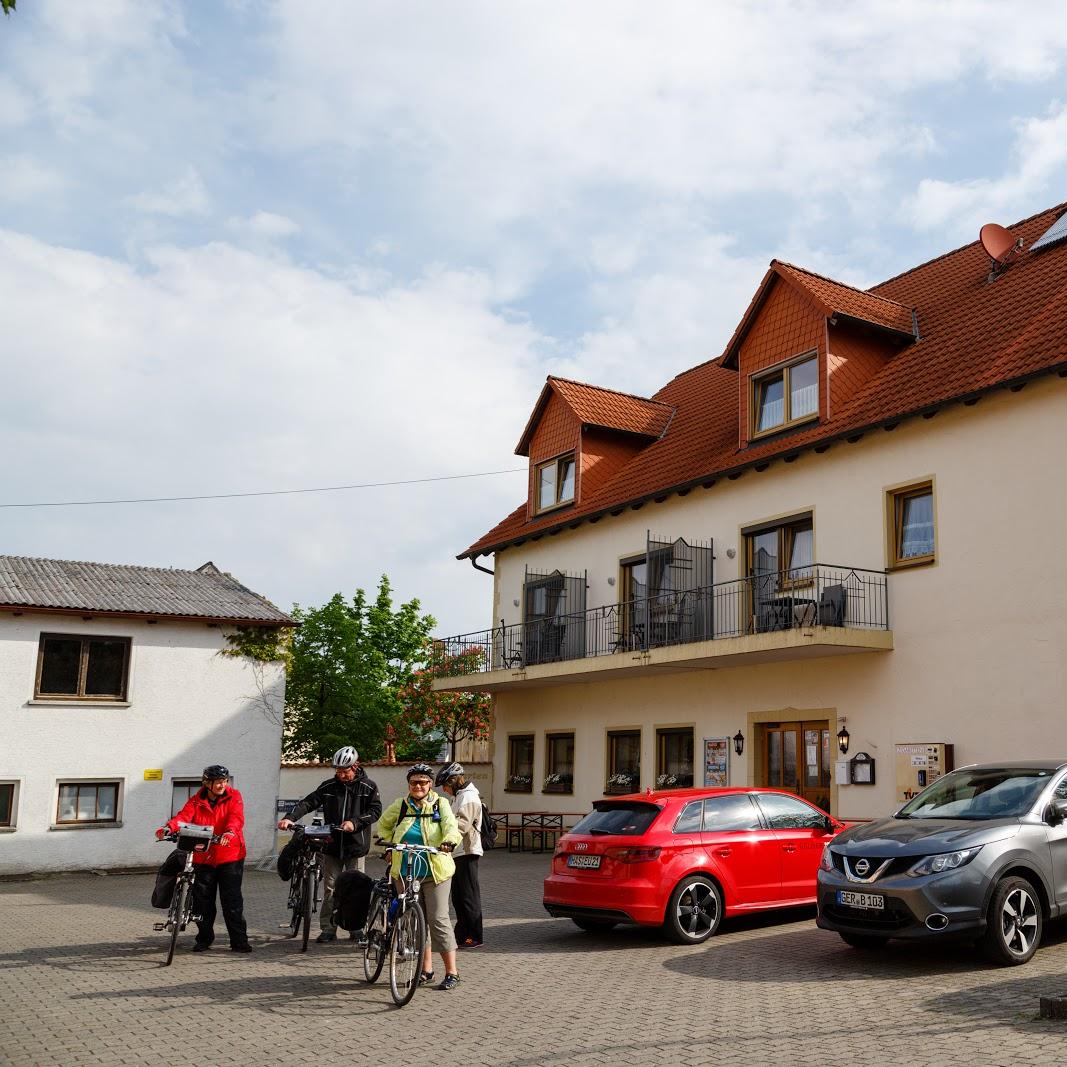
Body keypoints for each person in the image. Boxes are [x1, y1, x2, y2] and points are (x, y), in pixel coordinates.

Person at [278, 745, 382, 943]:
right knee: (331, 888)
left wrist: (355, 822)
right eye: (338, 771)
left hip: (356, 846)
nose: (341, 775)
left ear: (355, 766)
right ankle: (328, 928)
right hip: (332, 845)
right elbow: (308, 803)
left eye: (345, 771)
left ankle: (356, 928)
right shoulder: (329, 786)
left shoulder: (368, 787)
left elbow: (375, 811)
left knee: (356, 889)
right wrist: (290, 818)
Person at [377, 763, 462, 990]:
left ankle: (452, 972)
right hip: (405, 871)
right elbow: (383, 826)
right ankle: (426, 970)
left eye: (423, 782)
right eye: (414, 782)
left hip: (435, 871)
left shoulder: (440, 804)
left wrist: (449, 842)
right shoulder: (400, 806)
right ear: (409, 784)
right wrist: (387, 848)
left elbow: (451, 827)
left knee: (437, 919)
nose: (418, 786)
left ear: (430, 784)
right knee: (416, 920)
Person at [156, 764, 251, 953]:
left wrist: (230, 832)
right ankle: (204, 939)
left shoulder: (234, 796)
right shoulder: (197, 800)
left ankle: (239, 941)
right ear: (207, 783)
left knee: (231, 901)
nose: (222, 785)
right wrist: (169, 828)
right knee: (203, 901)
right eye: (218, 782)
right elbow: (184, 817)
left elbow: (236, 818)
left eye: (224, 781)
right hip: (203, 856)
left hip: (230, 855)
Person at [435, 761, 484, 948]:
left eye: (446, 785)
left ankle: (474, 936)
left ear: (454, 780)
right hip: (457, 852)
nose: (445, 790)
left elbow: (461, 825)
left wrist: (443, 839)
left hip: (467, 851)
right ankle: (462, 934)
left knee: (468, 896)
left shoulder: (469, 797)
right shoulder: (459, 796)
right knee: (458, 897)